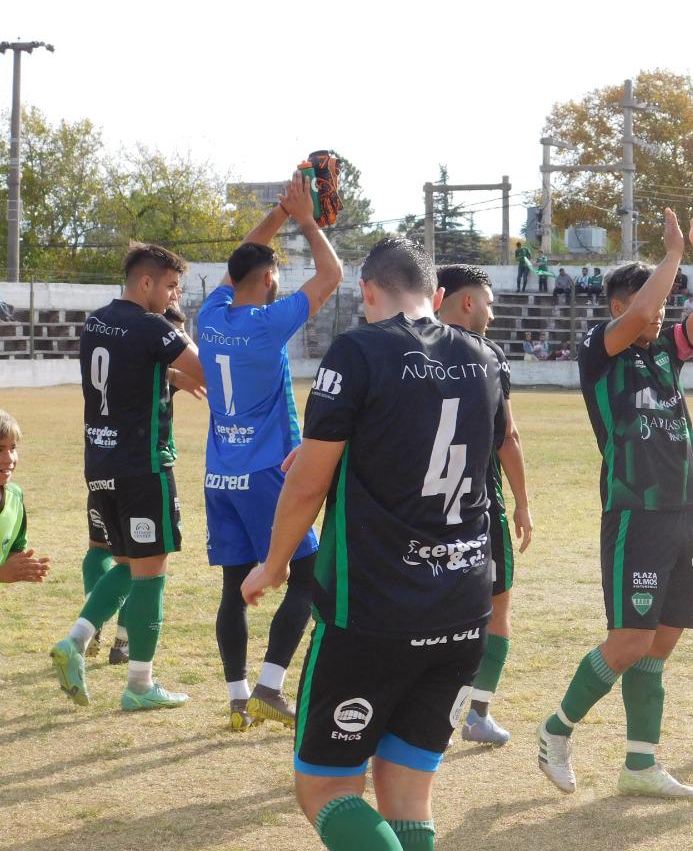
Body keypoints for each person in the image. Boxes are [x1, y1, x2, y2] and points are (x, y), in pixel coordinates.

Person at [241, 236, 505, 851]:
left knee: (326, 790)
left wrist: (273, 564)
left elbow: (309, 483)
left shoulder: (356, 351)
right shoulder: (483, 357)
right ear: (435, 295)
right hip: (465, 608)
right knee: (408, 795)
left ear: (368, 290)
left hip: (376, 611)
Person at [537, 195, 693, 799]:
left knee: (662, 638)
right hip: (634, 514)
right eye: (651, 301)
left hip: (682, 509)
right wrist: (671, 253)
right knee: (628, 640)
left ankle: (640, 764)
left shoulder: (667, 349)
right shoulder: (600, 347)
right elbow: (647, 305)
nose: (663, 310)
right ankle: (555, 730)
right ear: (621, 306)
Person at [197, 172, 344, 731]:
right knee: (305, 576)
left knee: (233, 585)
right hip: (265, 475)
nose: (279, 277)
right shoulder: (267, 323)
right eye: (275, 271)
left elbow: (245, 258)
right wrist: (306, 220)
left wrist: (281, 212)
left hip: (220, 474)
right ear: (265, 279)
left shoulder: (211, 316)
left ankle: (237, 698)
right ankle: (269, 687)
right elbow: (331, 274)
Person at [52, 244, 206, 711]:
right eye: (171, 287)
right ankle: (139, 685)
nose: (174, 297)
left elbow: (130, 369)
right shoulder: (150, 325)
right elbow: (204, 366)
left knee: (123, 562)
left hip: (100, 463)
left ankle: (75, 641)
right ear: (147, 283)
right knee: (151, 570)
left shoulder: (96, 321)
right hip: (144, 466)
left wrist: (169, 377)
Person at [435, 264, 534, 747]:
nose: (492, 315)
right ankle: (476, 713)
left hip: (423, 506)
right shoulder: (488, 356)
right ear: (467, 301)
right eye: (489, 303)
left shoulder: (409, 347)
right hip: (478, 505)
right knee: (496, 613)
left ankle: (417, 708)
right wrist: (523, 503)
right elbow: (507, 437)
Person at [0, 410, 51, 586]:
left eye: (12, 448)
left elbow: (13, 550)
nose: (8, 459)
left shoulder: (14, 497)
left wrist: (22, 567)